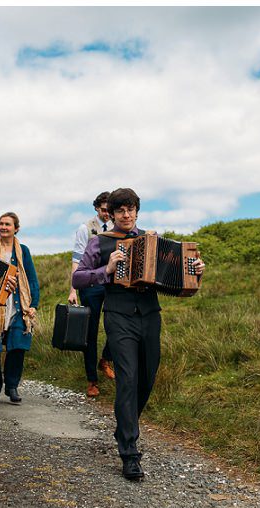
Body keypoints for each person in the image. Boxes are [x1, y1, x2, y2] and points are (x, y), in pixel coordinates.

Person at [73, 187, 206, 481]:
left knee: (147, 378)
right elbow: (78, 277)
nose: (126, 214)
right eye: (120, 210)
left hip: (149, 316)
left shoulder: (153, 242)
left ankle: (125, 425)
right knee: (128, 378)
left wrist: (195, 271)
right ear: (111, 213)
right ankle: (129, 452)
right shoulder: (100, 243)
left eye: (131, 209)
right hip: (118, 316)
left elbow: (182, 283)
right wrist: (106, 270)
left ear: (137, 211)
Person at [0, 213, 40, 405]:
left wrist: (33, 304)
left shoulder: (23, 250)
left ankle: (12, 386)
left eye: (7, 224)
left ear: (16, 228)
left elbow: (31, 279)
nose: (3, 227)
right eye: (1, 223)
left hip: (16, 305)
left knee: (17, 348)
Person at [70, 192, 115, 398]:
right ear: (97, 208)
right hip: (90, 284)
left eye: (109, 210)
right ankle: (92, 381)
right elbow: (77, 259)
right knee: (91, 332)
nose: (107, 213)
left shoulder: (117, 228)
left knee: (116, 323)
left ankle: (105, 359)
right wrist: (73, 289)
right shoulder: (85, 229)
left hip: (113, 283)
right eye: (103, 209)